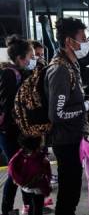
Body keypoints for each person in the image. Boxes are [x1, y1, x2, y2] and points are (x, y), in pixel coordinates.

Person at [45, 17, 89, 215]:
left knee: (72, 190)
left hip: (74, 137)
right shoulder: (60, 70)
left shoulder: (71, 65)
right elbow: (58, 113)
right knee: (68, 192)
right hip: (65, 141)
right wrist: (88, 105)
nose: (86, 42)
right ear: (68, 41)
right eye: (83, 38)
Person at [0, 35, 34, 215]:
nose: (31, 60)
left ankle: (28, 207)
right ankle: (6, 210)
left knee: (22, 170)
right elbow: (9, 105)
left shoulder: (17, 72)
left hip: (13, 130)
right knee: (16, 172)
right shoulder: (9, 74)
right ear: (20, 58)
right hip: (8, 132)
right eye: (29, 57)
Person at [8, 136, 51, 215]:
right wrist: (47, 187)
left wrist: (19, 181)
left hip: (25, 188)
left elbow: (11, 168)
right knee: (38, 208)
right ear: (37, 146)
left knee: (31, 206)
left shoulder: (19, 155)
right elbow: (47, 174)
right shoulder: (40, 159)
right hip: (38, 188)